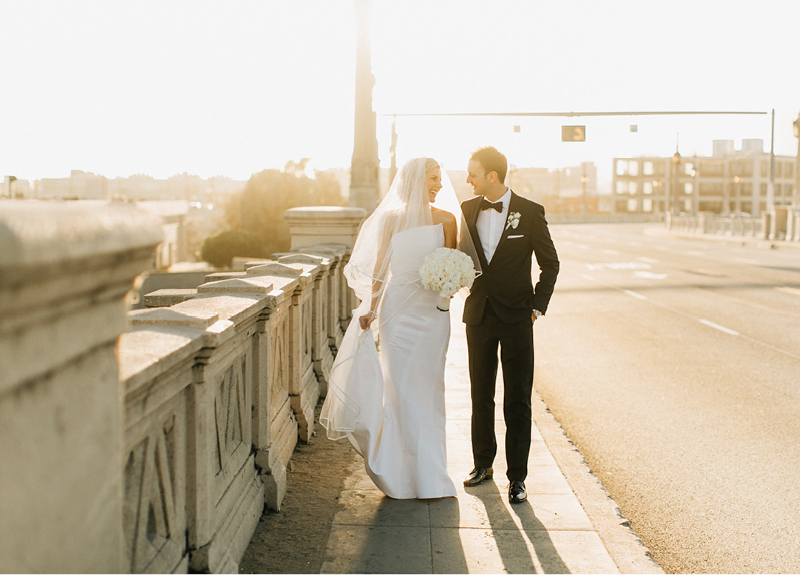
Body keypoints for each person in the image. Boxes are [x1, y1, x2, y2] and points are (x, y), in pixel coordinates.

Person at [320, 157, 478, 499]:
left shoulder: (448, 220)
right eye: (434, 179)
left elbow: (452, 261)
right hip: (398, 313)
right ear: (415, 181)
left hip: (432, 313)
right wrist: (370, 309)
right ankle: (400, 472)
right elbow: (381, 266)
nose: (440, 185)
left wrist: (449, 285)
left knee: (430, 387)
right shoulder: (391, 220)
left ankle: (430, 474)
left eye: (440, 179)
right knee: (399, 388)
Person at [459, 146, 559, 503]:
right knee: (479, 394)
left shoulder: (530, 212)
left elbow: (550, 263)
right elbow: (460, 258)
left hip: (518, 318)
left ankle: (517, 477)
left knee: (518, 399)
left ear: (492, 176)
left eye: (472, 173)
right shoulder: (467, 210)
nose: (466, 179)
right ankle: (481, 464)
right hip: (480, 316)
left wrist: (537, 307)